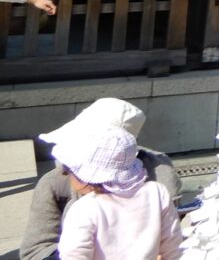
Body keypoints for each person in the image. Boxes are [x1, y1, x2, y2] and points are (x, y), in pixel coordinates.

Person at [20, 98, 179, 260]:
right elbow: (35, 250)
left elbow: (171, 239)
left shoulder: (160, 176)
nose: (67, 171)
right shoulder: (56, 182)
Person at [50, 123, 182, 260]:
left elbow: (73, 255)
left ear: (84, 177)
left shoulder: (84, 209)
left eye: (67, 169)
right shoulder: (157, 193)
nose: (64, 173)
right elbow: (173, 246)